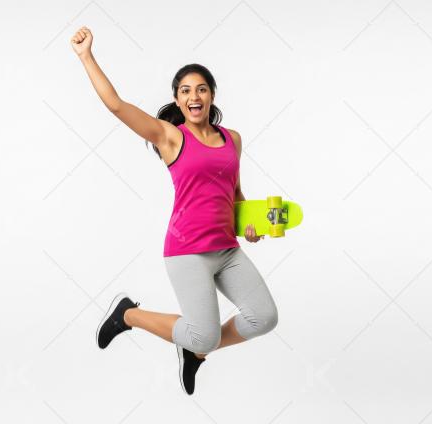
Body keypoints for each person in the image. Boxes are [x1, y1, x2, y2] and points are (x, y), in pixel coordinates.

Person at [72, 26, 278, 395]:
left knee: (263, 317)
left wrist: (250, 224)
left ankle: (196, 351)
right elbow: (117, 105)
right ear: (178, 100)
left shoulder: (233, 139)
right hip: (187, 252)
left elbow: (235, 194)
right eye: (186, 91)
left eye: (201, 89)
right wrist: (87, 56)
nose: (194, 96)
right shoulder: (170, 136)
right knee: (205, 334)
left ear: (212, 95)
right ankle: (127, 315)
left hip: (227, 250)